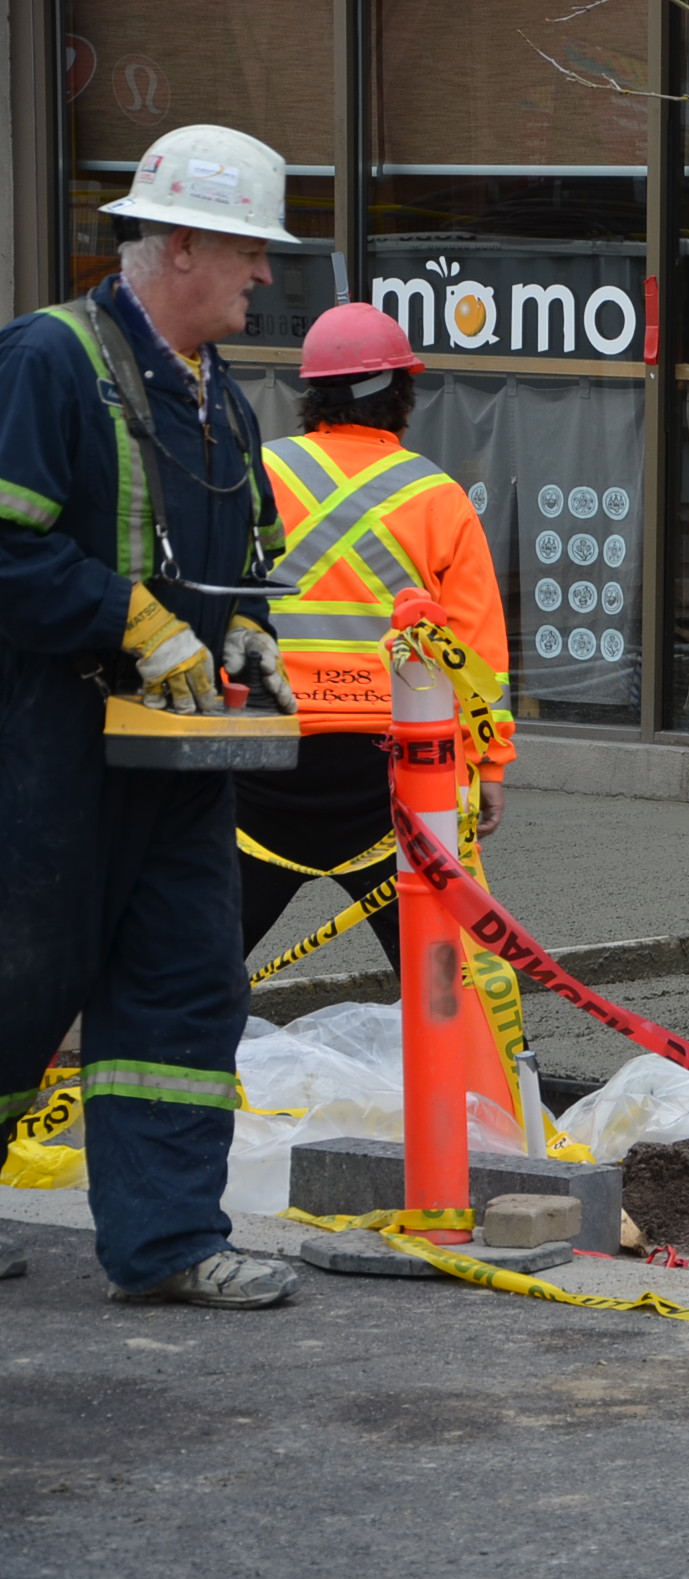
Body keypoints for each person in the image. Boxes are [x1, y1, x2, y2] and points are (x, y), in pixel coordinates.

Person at [0, 125, 304, 1307]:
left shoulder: (220, 399)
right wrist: (127, 617)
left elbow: (246, 564)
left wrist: (242, 640)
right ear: (177, 244)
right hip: (44, 748)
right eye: (246, 250)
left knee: (185, 986)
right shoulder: (47, 361)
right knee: (20, 982)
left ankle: (169, 1239)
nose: (265, 275)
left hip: (175, 761)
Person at [236, 302, 515, 973]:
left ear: (313, 395)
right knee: (451, 980)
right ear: (400, 396)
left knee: (184, 974)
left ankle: (153, 1077)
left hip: (261, 764)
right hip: (395, 773)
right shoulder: (437, 497)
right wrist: (489, 764)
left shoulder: (258, 476)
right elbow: (477, 651)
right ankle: (484, 1079)